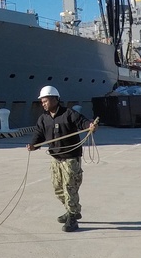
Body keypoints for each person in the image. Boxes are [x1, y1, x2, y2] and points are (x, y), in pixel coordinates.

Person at [25, 85, 98, 232]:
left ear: (54, 99)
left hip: (70, 158)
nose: (43, 104)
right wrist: (33, 145)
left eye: (45, 101)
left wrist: (90, 125)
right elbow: (38, 134)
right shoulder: (43, 118)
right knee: (58, 189)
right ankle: (72, 210)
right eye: (42, 101)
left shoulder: (69, 114)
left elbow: (82, 122)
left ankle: (72, 218)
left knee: (69, 188)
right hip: (55, 159)